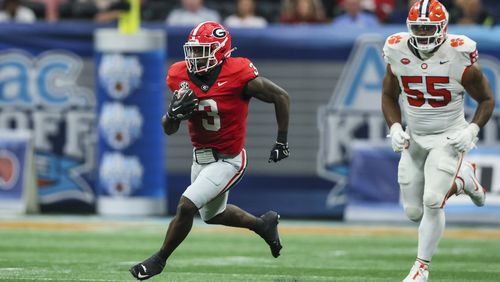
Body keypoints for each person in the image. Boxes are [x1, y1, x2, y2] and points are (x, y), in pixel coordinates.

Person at [129, 21, 290, 281]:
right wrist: (172, 114)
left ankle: (159, 260)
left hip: (229, 160)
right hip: (200, 158)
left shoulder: (238, 73)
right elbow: (169, 129)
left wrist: (281, 141)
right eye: (192, 50)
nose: (195, 56)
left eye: (202, 50)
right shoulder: (178, 75)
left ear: (220, 51)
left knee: (186, 206)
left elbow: (281, 96)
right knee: (214, 215)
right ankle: (263, 225)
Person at [381, 1, 494, 281]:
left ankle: (421, 267)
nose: (421, 32)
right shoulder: (396, 49)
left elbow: (487, 100)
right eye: (417, 27)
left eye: (427, 27)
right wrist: (395, 126)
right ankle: (463, 180)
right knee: (413, 211)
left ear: (442, 28)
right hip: (416, 136)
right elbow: (388, 95)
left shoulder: (459, 54)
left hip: (448, 136)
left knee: (433, 200)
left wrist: (471, 130)